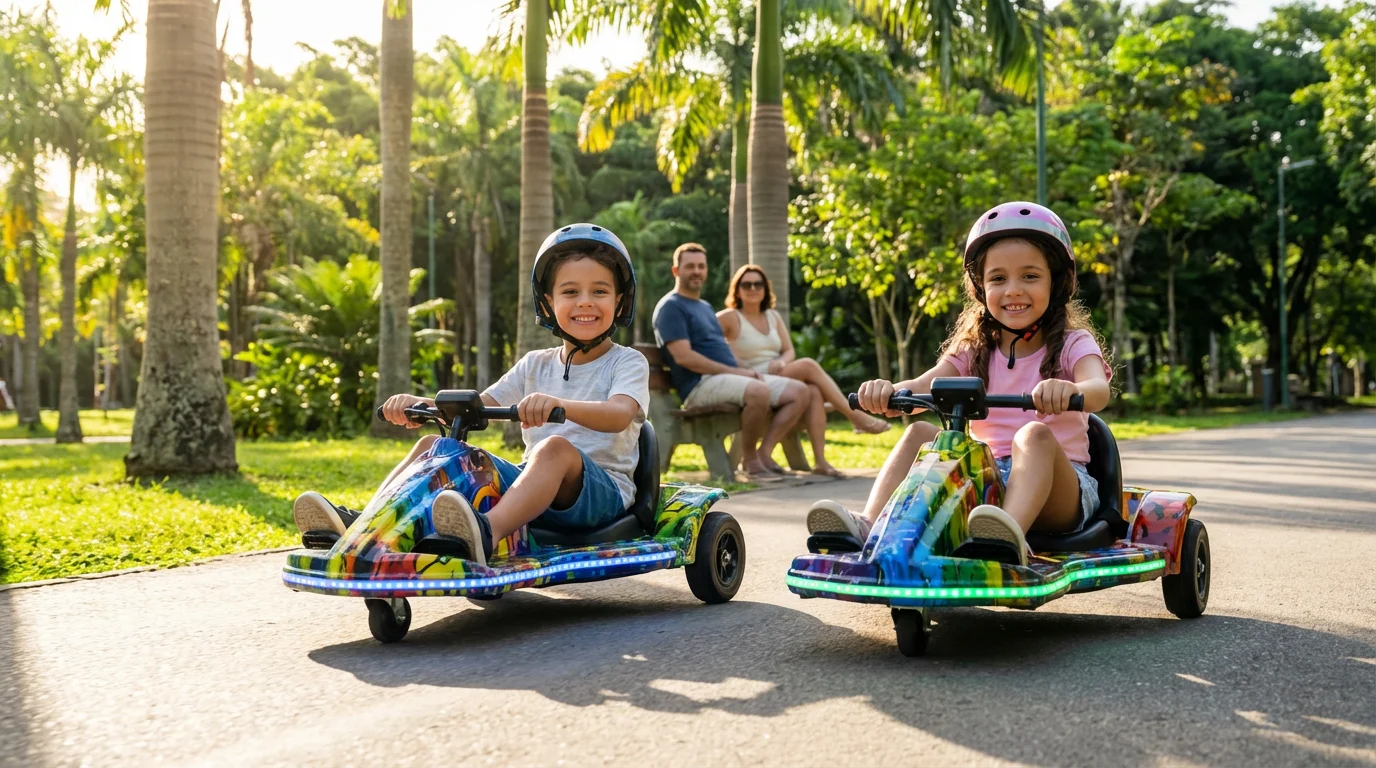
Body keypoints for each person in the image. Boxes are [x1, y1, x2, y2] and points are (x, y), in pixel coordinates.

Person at [292, 223, 650, 567]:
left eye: (599, 291)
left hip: (604, 496)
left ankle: (485, 532)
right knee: (435, 445)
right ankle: (365, 525)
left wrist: (561, 406)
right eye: (570, 292)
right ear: (547, 302)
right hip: (535, 485)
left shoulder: (627, 362)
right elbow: (478, 406)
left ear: (619, 301)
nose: (585, 302)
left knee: (554, 448)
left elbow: (620, 414)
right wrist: (421, 405)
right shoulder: (534, 364)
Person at [805, 202, 1112, 566]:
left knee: (1033, 434)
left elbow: (1098, 389)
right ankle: (868, 525)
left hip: (1061, 495)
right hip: (984, 482)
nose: (1013, 290)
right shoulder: (973, 348)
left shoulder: (1073, 344)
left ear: (1056, 282)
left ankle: (1006, 536)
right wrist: (888, 392)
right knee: (920, 431)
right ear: (981, 288)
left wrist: (1072, 391)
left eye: (1030, 276)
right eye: (998, 279)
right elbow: (924, 385)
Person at [652, 243, 812, 481]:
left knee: (799, 391)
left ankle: (762, 453)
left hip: (727, 378)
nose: (696, 271)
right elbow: (684, 357)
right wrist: (737, 372)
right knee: (758, 391)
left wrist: (742, 370)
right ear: (676, 271)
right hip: (700, 385)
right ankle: (750, 462)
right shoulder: (671, 307)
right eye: (690, 267)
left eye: (701, 266)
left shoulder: (705, 307)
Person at [717, 263, 891, 478]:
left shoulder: (772, 316)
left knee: (814, 391)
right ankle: (854, 415)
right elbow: (710, 344)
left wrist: (781, 362)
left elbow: (789, 350)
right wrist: (736, 366)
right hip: (753, 378)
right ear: (737, 289)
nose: (753, 288)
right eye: (746, 284)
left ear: (765, 288)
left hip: (778, 373)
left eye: (758, 284)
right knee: (808, 365)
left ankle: (818, 460)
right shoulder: (728, 317)